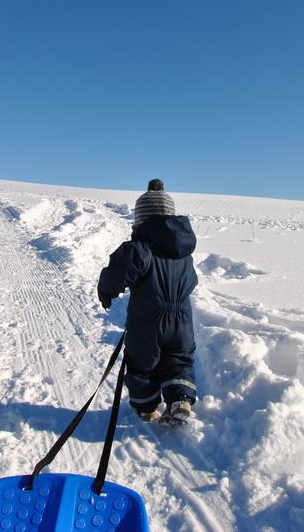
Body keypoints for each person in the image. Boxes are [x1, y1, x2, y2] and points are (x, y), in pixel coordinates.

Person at [97, 178, 199, 424]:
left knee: (142, 363)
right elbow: (192, 281)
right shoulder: (183, 253)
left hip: (147, 319)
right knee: (179, 359)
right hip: (182, 319)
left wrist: (106, 293)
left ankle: (148, 408)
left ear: (141, 219)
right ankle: (180, 399)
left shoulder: (138, 248)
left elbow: (115, 275)